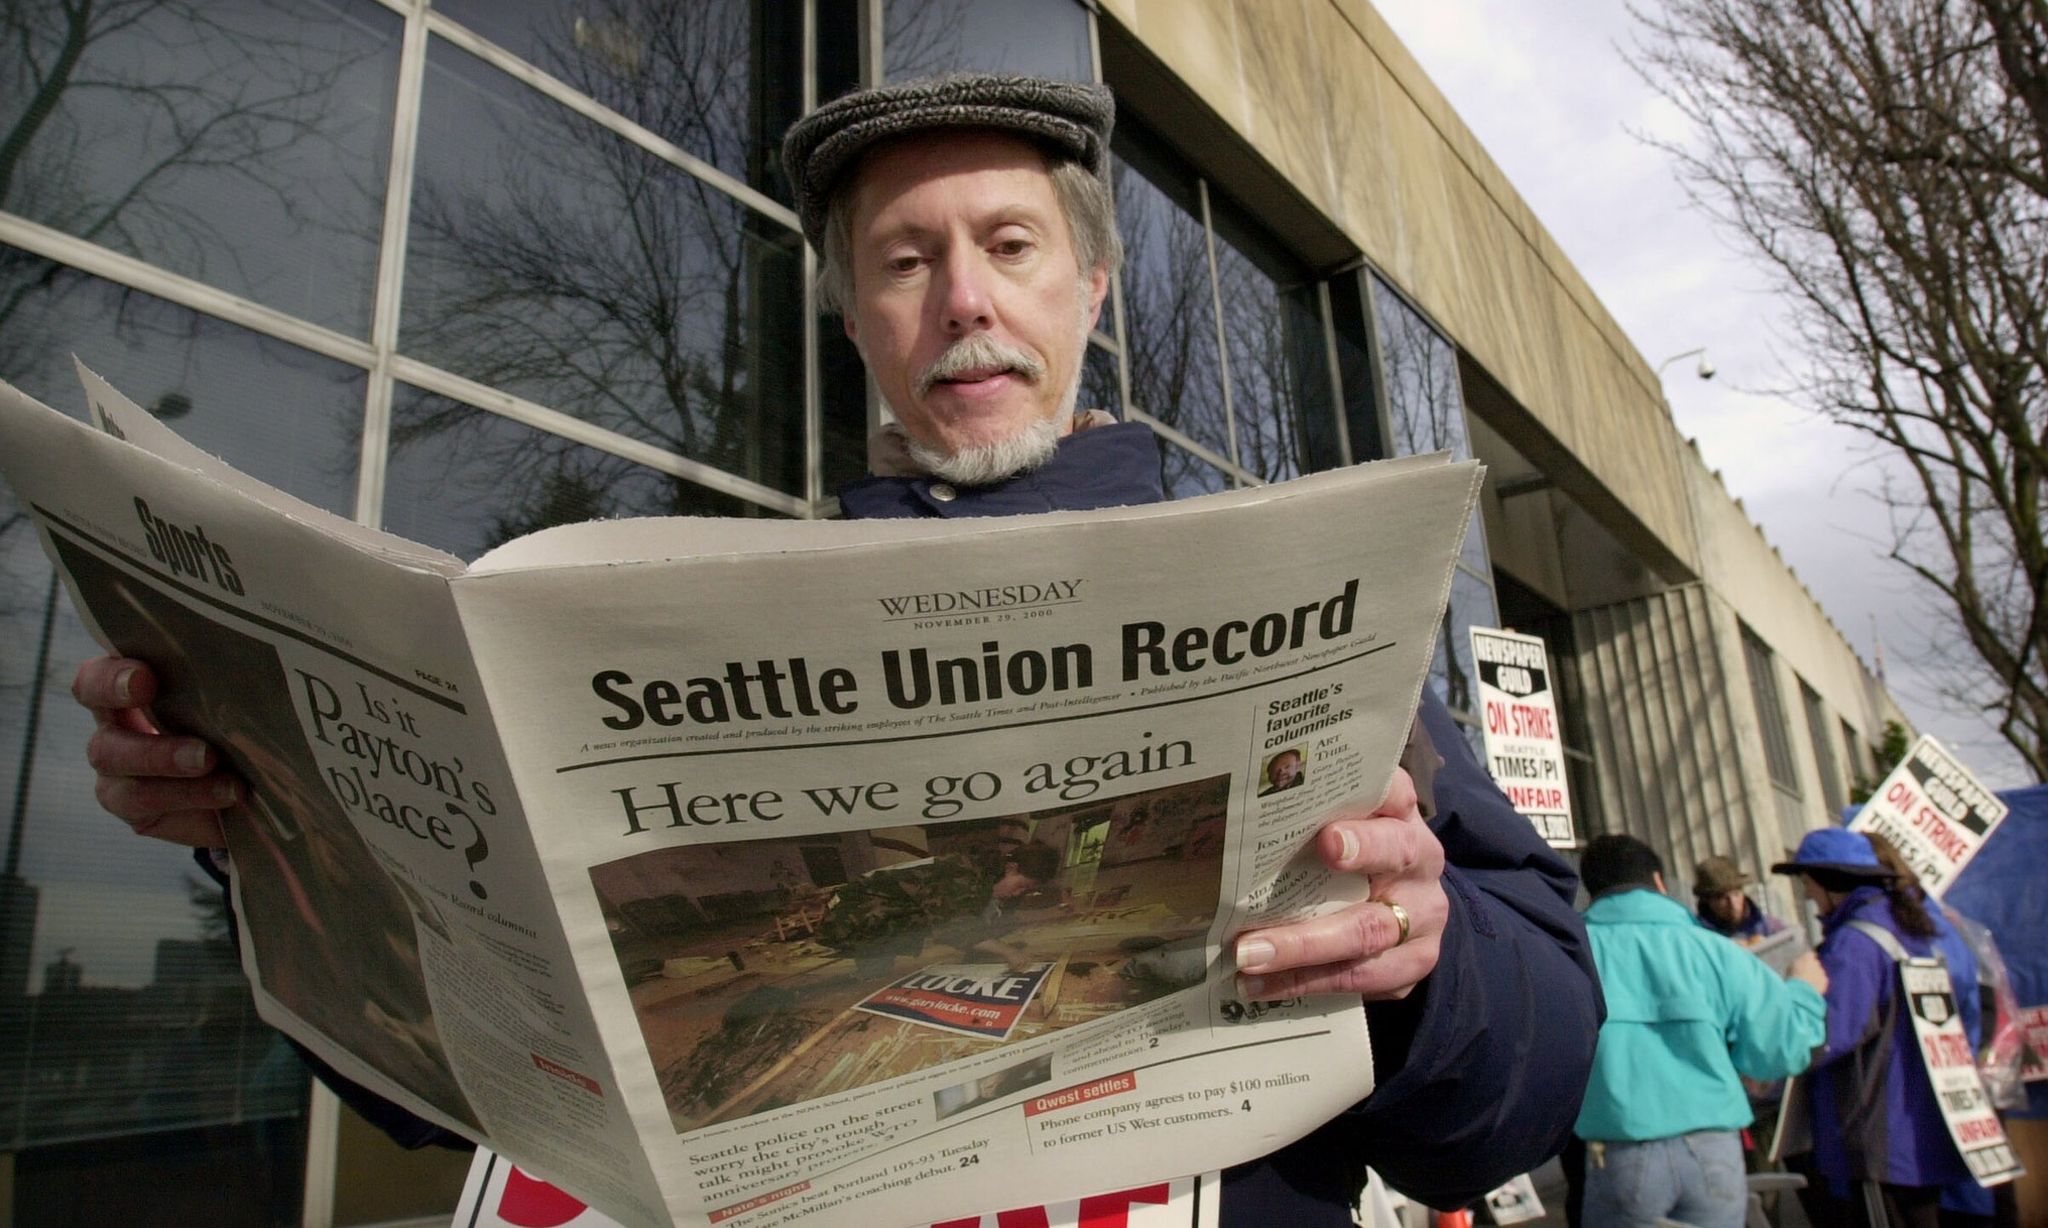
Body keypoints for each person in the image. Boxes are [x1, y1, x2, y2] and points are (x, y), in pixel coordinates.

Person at [68, 73, 1603, 1222]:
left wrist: (1429, 965)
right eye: (903, 262)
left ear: (1092, 287)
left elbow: (1515, 1100)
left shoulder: (1319, 630)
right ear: (854, 320)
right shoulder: (684, 618)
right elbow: (448, 1084)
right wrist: (262, 831)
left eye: (1008, 243)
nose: (966, 304)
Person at [1572, 835, 1827, 1228]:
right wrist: (1804, 989)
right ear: (1659, 882)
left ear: (1592, 890)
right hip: (1714, 1151)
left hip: (1619, 1148)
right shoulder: (1716, 951)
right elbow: (1782, 1050)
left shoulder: (1572, 955)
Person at [1772, 828, 1982, 1228]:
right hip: (1924, 1134)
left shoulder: (1855, 944)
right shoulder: (1915, 930)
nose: (1807, 895)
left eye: (1807, 883)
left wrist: (1799, 988)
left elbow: (1826, 1036)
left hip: (1878, 1139)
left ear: (1827, 882)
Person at [1693, 854, 1790, 947]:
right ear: (1708, 900)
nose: (1733, 903)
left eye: (1736, 893)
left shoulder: (1770, 927)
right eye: (1722, 897)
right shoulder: (1698, 938)